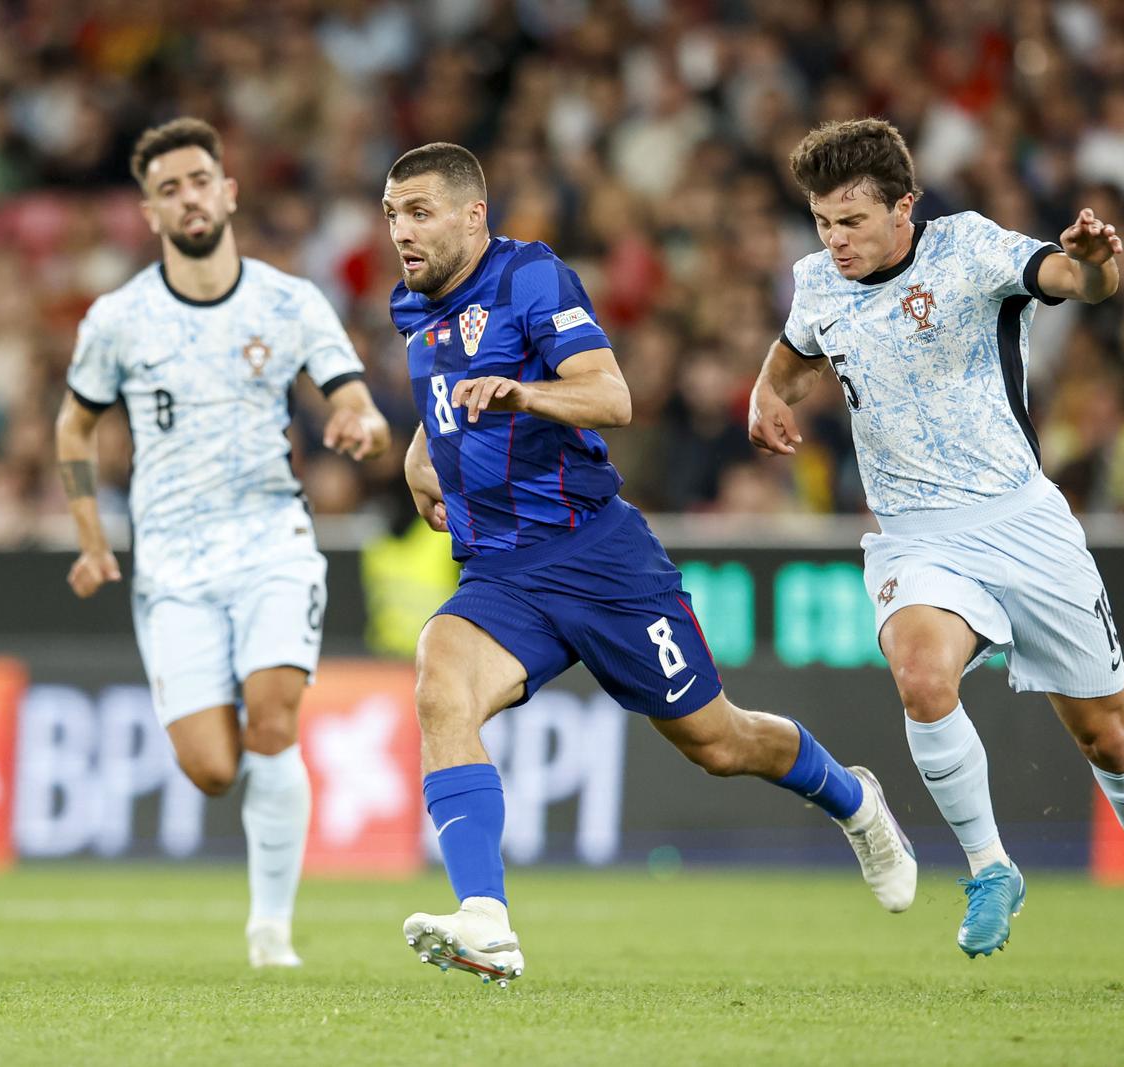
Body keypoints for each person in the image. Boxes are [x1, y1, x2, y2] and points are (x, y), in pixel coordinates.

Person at [381, 142, 918, 987]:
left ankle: (854, 799)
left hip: (598, 556)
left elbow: (611, 395)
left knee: (718, 740)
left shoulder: (532, 277)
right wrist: (422, 454)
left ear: (471, 214)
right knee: (440, 685)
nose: (400, 232)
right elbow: (447, 394)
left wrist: (523, 393)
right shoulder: (411, 307)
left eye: (418, 212)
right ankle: (485, 918)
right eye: (391, 216)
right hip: (501, 573)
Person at [748, 118, 1124, 984]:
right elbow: (796, 351)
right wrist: (764, 393)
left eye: (851, 222)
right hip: (915, 536)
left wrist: (1097, 258)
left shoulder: (970, 249)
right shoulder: (817, 282)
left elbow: (1078, 280)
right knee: (921, 676)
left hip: (1022, 522)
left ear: (904, 208)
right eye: (821, 223)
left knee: (1106, 736)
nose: (834, 241)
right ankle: (992, 867)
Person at [54, 117, 390, 968]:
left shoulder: (288, 299)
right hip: (170, 559)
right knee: (210, 766)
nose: (188, 196)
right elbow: (74, 423)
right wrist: (93, 534)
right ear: (149, 213)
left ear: (228, 192)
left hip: (272, 535)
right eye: (168, 189)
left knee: (273, 722)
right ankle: (261, 846)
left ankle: (270, 931)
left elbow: (350, 393)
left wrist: (360, 418)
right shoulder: (118, 318)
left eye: (199, 179)